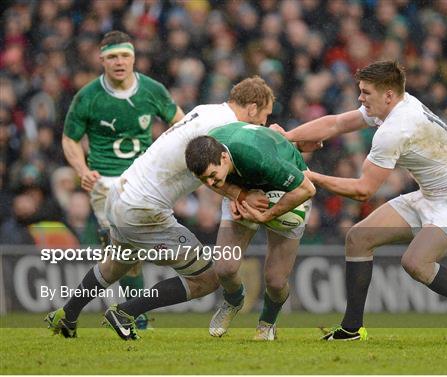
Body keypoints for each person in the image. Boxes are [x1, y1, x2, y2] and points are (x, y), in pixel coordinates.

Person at [272, 60, 447, 342]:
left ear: (388, 94)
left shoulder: (395, 129)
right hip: (429, 194)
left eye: (366, 93)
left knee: (416, 263)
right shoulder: (395, 105)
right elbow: (336, 123)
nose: (361, 98)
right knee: (358, 239)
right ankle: (352, 329)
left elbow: (364, 190)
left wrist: (309, 176)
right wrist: (288, 137)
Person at [45, 76, 274, 340]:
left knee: (115, 265)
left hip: (121, 194)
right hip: (143, 209)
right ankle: (125, 313)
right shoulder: (225, 126)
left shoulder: (206, 110)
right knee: (208, 277)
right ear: (253, 107)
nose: (262, 123)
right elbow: (211, 175)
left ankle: (67, 314)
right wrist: (241, 193)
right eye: (264, 116)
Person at [61, 31, 185, 329]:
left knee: (127, 256)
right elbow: (70, 138)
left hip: (144, 182)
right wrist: (81, 170)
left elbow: (180, 123)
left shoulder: (152, 90)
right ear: (101, 59)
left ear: (134, 58)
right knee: (125, 251)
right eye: (113, 56)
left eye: (125, 55)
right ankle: (135, 316)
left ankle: (72, 313)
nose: (119, 62)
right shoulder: (88, 96)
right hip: (104, 183)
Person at [185, 123, 316, 340]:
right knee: (225, 268)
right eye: (203, 179)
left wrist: (266, 216)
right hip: (246, 189)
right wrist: (239, 195)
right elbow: (213, 181)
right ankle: (233, 300)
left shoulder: (258, 158)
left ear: (225, 158)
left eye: (212, 175)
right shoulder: (207, 151)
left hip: (290, 194)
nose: (210, 183)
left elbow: (308, 189)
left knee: (276, 281)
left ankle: (267, 323)